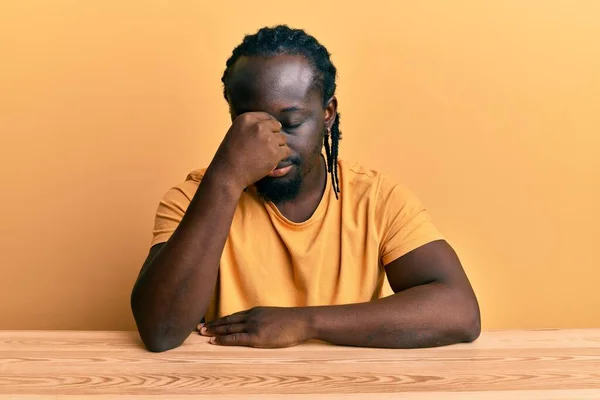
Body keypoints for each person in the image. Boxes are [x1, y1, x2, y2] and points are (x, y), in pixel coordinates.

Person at [131, 25, 481, 352]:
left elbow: (460, 310)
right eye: (251, 125)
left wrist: (303, 322)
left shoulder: (376, 199)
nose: (272, 144)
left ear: (327, 113)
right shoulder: (195, 197)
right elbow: (160, 330)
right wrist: (226, 178)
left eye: (291, 123)